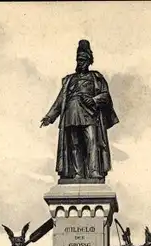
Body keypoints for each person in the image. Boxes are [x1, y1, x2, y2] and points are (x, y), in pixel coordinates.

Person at [41, 40, 119, 180]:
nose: (80, 63)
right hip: (71, 113)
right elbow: (60, 99)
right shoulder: (70, 80)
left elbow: (106, 95)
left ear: (89, 61)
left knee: (92, 141)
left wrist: (94, 100)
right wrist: (50, 117)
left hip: (89, 113)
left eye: (83, 60)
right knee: (75, 144)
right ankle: (77, 173)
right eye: (78, 60)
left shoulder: (96, 77)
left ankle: (94, 171)